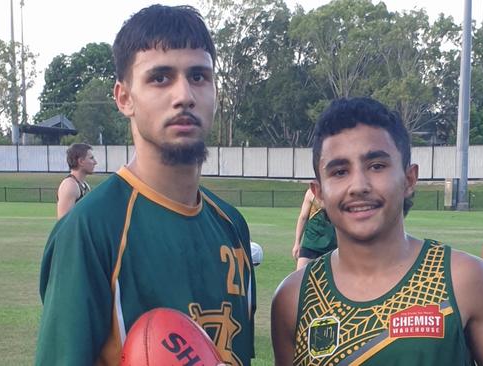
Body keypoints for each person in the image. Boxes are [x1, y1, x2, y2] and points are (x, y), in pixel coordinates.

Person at [35, 5, 255, 366]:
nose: (184, 95)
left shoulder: (232, 226)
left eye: (199, 76)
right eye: (161, 78)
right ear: (124, 98)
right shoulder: (90, 229)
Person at [271, 97, 483, 365]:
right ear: (318, 193)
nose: (358, 185)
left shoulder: (464, 279)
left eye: (377, 166)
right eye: (339, 171)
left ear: (409, 179)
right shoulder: (294, 297)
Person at [292, 188, 337, 269]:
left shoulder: (339, 192)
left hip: (333, 245)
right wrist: (297, 243)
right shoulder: (311, 193)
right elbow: (303, 217)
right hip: (310, 244)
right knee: (300, 277)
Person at [56, 143, 97, 219]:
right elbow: (64, 223)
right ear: (81, 161)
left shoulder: (84, 185)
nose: (95, 162)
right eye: (91, 158)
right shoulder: (70, 185)